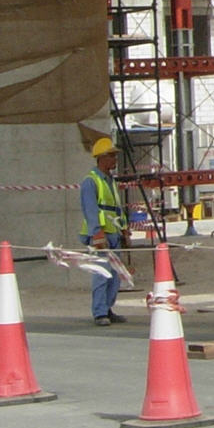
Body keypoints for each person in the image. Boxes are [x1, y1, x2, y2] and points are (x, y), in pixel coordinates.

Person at [80, 137, 128, 324]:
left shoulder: (110, 181)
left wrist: (124, 230)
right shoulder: (91, 181)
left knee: (114, 275)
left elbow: (116, 208)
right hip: (101, 234)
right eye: (111, 156)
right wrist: (97, 233)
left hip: (113, 233)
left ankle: (107, 308)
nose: (115, 159)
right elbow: (91, 209)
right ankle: (100, 312)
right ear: (101, 158)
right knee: (102, 273)